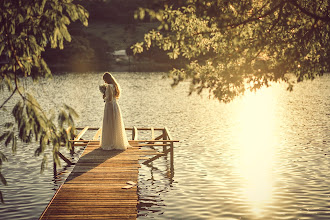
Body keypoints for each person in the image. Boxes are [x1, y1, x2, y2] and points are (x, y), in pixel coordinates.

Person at [100, 72, 130, 150]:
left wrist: (104, 96)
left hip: (109, 107)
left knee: (109, 123)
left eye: (104, 80)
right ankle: (116, 142)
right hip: (115, 106)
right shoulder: (115, 86)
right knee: (115, 124)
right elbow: (113, 97)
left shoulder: (109, 86)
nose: (104, 81)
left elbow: (109, 99)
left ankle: (109, 143)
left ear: (107, 79)